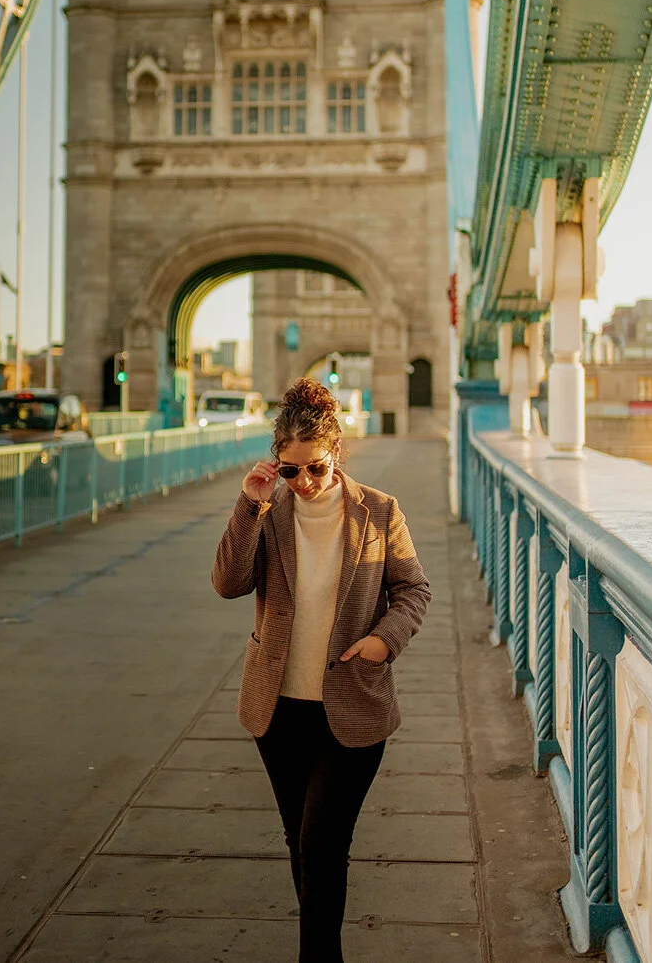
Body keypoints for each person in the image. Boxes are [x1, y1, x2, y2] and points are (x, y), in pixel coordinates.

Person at [212, 377, 431, 963]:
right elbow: (229, 584)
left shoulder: (379, 512)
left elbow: (413, 590)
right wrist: (249, 502)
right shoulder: (268, 508)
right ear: (275, 464)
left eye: (315, 469)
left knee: (322, 843)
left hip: (353, 706)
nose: (303, 483)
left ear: (337, 455)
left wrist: (386, 640)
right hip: (278, 706)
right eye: (290, 470)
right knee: (302, 842)